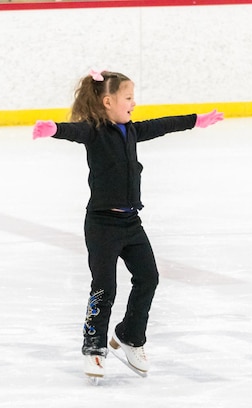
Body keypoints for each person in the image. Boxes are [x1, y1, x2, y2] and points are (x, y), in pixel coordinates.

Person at [32, 69, 223, 378]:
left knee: (149, 277)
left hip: (131, 223)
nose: (134, 103)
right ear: (108, 101)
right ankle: (94, 348)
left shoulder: (131, 131)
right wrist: (53, 129)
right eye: (129, 97)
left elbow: (162, 125)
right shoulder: (95, 132)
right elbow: (75, 131)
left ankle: (130, 336)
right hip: (102, 225)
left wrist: (195, 120)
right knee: (104, 288)